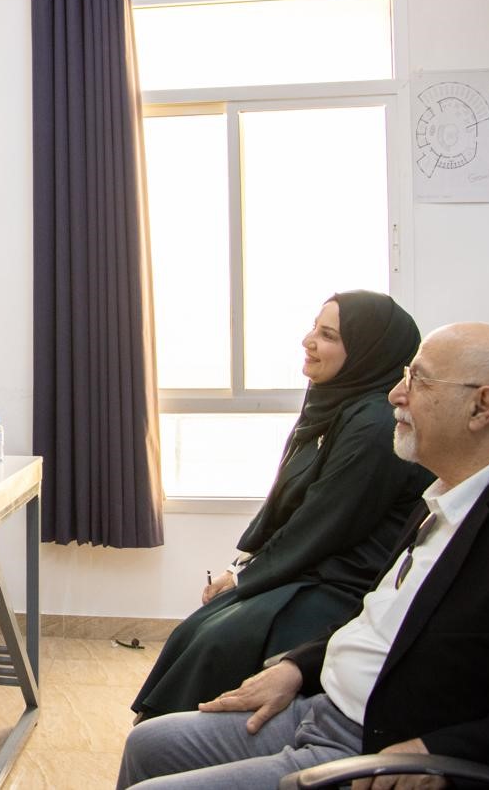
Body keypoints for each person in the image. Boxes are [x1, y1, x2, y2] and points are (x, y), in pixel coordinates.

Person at [117, 322, 489, 789]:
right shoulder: (441, 496)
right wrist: (297, 667)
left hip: (376, 746)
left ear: (481, 406)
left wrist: (438, 752)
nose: (396, 395)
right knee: (148, 744)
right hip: (320, 709)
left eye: (419, 380)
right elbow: (382, 622)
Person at [132, 290, 432, 720]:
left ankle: (179, 740)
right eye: (314, 328)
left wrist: (246, 577)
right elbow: (291, 505)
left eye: (328, 335)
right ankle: (161, 735)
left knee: (220, 640)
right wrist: (242, 568)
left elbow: (323, 522)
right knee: (200, 629)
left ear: (369, 352)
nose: (309, 341)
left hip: (347, 583)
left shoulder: (374, 425)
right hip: (314, 566)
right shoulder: (334, 406)